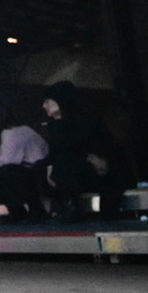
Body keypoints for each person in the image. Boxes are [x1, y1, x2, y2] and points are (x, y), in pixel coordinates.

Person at [39, 80, 120, 219]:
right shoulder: (54, 125)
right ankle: (60, 205)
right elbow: (55, 150)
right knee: (40, 167)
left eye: (48, 101)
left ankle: (70, 206)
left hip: (95, 167)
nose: (44, 105)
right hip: (72, 169)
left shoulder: (86, 118)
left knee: (65, 162)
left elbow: (83, 147)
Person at [0, 101, 49, 223]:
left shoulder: (11, 133)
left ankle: (34, 210)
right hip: (26, 172)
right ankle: (16, 211)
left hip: (39, 172)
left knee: (6, 171)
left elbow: (7, 160)